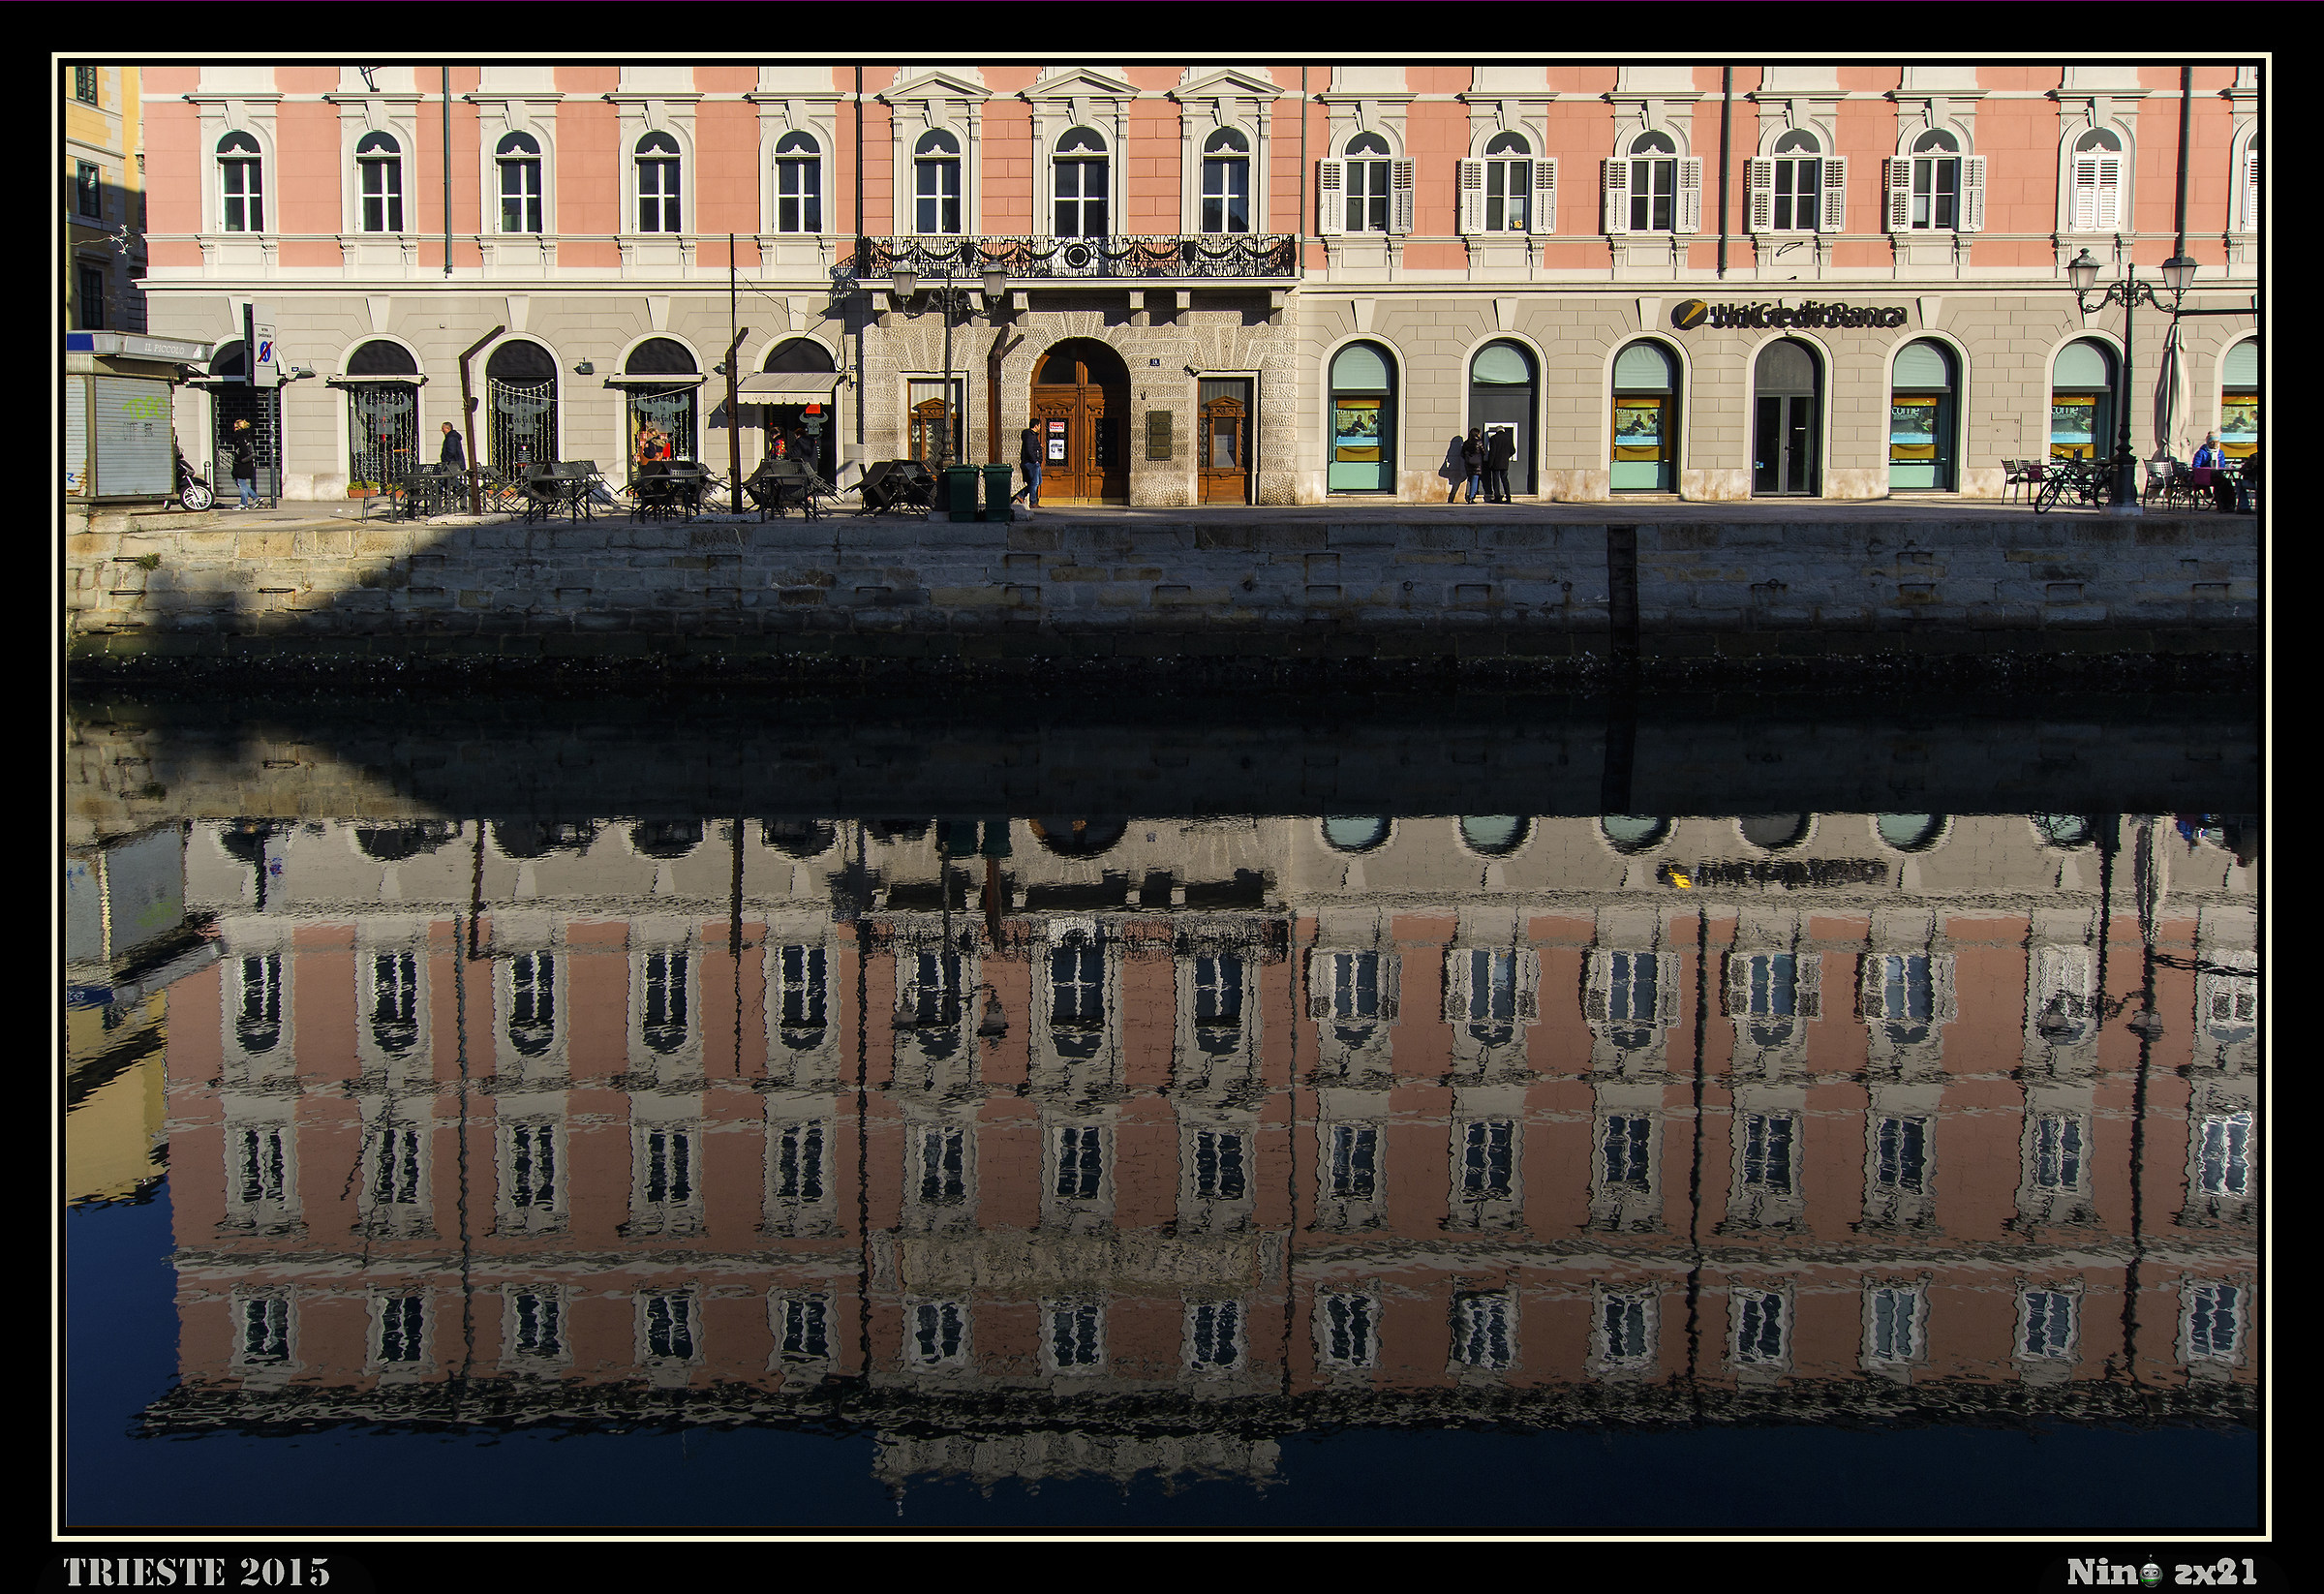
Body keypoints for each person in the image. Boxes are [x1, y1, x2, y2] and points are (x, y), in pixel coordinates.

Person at [228, 418, 259, 510]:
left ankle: (244, 503)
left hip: (243, 463)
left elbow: (243, 451)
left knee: (241, 483)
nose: (234, 429)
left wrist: (238, 459)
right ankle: (256, 498)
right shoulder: (247, 436)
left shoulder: (240, 437)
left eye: (235, 427)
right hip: (247, 462)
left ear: (238, 428)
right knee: (241, 483)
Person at [1010, 424, 1042, 508]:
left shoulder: (1032, 436)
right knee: (1034, 482)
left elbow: (1032, 447)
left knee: (1037, 482)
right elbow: (1029, 449)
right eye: (1039, 425)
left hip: (1033, 462)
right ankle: (1033, 502)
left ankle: (1021, 495)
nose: (1040, 427)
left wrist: (1038, 447)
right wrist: (1034, 460)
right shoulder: (1030, 436)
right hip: (1031, 463)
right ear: (1036, 426)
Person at [1483, 427, 1515, 504]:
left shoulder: (1494, 438)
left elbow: (1492, 452)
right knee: (1505, 479)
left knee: (1496, 480)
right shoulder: (1508, 438)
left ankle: (1497, 497)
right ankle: (1508, 496)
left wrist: (1490, 463)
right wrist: (1506, 456)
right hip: (1505, 462)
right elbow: (1513, 450)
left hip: (1496, 462)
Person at [1460, 428, 1486, 504]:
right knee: (1475, 479)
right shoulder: (1479, 442)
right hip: (1477, 463)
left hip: (1468, 463)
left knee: (1470, 479)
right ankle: (1471, 497)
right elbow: (1483, 452)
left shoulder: (1466, 443)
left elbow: (1462, 453)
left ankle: (1468, 494)